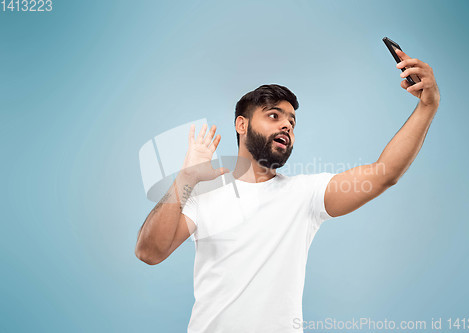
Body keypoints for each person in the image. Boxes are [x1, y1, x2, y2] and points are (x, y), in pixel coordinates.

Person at [135, 48, 440, 333]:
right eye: (274, 116)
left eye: (292, 122)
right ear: (241, 125)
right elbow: (149, 252)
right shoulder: (204, 194)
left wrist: (427, 107)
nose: (287, 126)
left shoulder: (305, 195)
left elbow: (383, 174)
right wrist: (185, 180)